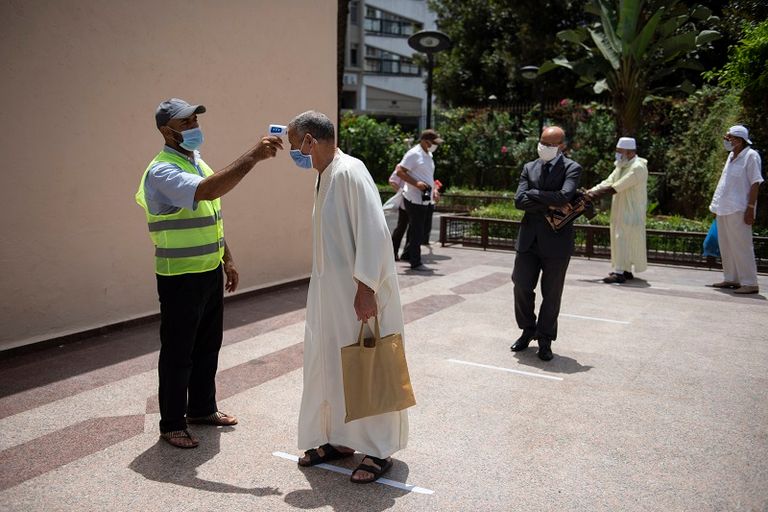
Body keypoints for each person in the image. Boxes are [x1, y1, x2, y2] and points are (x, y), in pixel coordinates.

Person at [135, 98, 282, 448]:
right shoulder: (162, 170)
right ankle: (172, 423)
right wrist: (253, 156)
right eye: (184, 124)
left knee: (207, 346)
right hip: (179, 275)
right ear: (165, 131)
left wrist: (226, 258)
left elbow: (210, 215)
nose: (193, 128)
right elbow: (208, 191)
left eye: (194, 121)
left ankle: (201, 408)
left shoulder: (197, 163)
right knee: (178, 352)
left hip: (207, 271)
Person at [287, 111, 409, 484]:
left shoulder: (350, 172)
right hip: (328, 299)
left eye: (296, 146)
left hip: (357, 296)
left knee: (369, 368)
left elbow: (374, 232)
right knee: (328, 366)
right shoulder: (325, 175)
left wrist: (366, 288)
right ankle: (337, 439)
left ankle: (378, 450)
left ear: (311, 140)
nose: (295, 153)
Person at [510, 126, 582, 361]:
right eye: (542, 142)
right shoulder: (529, 167)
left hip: (557, 242)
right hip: (528, 239)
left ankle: (545, 338)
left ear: (562, 145)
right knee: (520, 285)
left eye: (550, 144)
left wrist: (535, 194)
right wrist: (549, 201)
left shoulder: (572, 168)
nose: (544, 147)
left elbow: (565, 196)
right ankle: (527, 329)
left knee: (551, 294)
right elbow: (519, 201)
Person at [708, 125, 763, 294]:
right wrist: (716, 204)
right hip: (724, 207)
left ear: (739, 140)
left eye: (729, 138)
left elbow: (755, 182)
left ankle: (750, 282)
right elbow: (725, 182)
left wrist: (750, 207)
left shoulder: (751, 156)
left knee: (742, 245)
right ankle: (731, 278)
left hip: (739, 208)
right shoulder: (731, 156)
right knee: (726, 245)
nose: (727, 141)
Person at [586, 137, 648, 283]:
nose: (617, 154)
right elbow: (609, 181)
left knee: (622, 239)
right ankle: (625, 270)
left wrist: (593, 195)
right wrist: (590, 191)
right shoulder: (622, 165)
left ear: (629, 152)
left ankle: (619, 273)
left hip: (631, 211)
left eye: (620, 151)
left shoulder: (638, 167)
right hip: (621, 209)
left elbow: (617, 186)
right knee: (622, 239)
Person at [396, 129, 444, 270]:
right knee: (417, 231)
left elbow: (427, 176)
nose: (434, 145)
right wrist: (416, 184)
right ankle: (415, 262)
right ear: (425, 140)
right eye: (433, 143)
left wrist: (434, 190)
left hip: (424, 198)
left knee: (416, 230)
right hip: (414, 198)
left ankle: (407, 255)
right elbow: (400, 171)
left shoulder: (428, 154)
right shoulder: (413, 154)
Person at [388, 167, 409, 260]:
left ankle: (407, 253)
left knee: (414, 229)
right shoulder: (402, 167)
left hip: (418, 202)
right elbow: (392, 181)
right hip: (405, 203)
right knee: (401, 227)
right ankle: (393, 252)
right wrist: (402, 192)